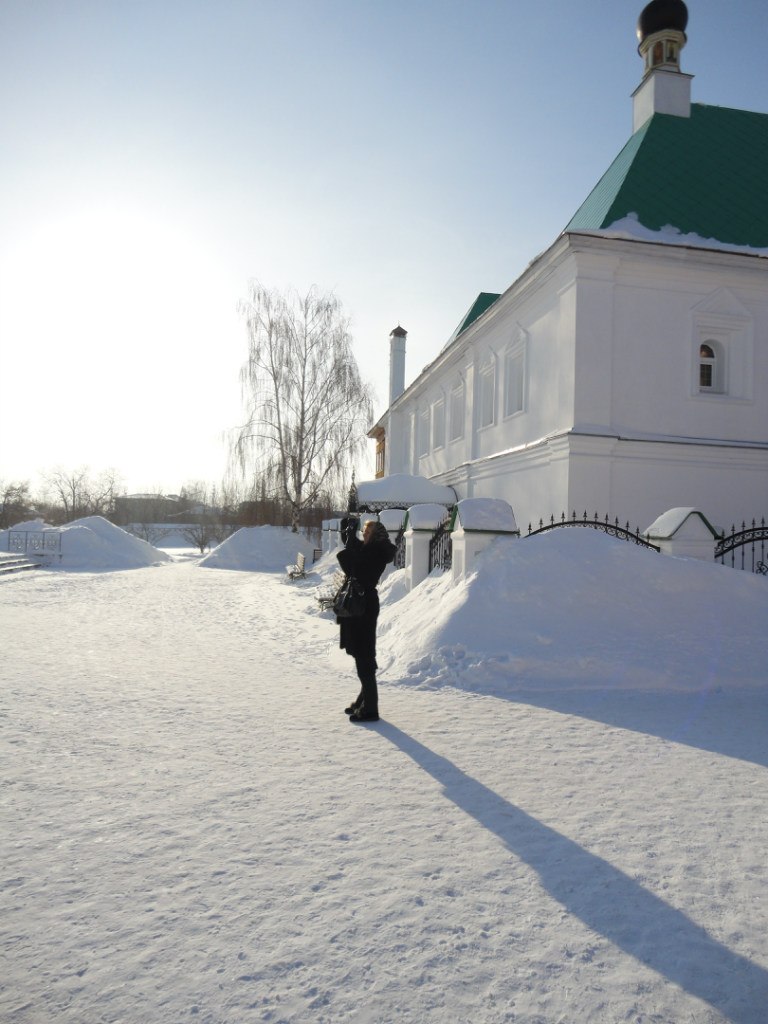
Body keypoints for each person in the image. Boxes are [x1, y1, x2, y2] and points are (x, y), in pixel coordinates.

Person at [336, 516, 396, 723]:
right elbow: (356, 550)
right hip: (361, 604)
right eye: (364, 531)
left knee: (364, 654)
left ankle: (370, 708)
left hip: (364, 607)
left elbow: (354, 568)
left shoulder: (376, 552)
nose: (364, 535)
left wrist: (348, 546)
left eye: (368, 532)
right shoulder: (370, 549)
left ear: (376, 536)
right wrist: (348, 532)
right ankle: (364, 700)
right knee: (362, 653)